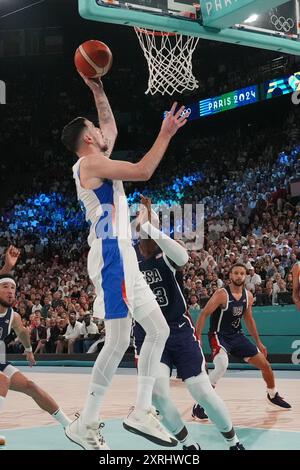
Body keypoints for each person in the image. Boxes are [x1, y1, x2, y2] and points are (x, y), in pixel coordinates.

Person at [61, 73, 187, 449]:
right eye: (96, 131)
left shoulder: (97, 157)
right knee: (117, 340)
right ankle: (85, 423)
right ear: (88, 138)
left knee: (158, 329)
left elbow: (109, 125)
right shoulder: (89, 166)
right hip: (111, 254)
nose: (103, 132)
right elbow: (144, 171)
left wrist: (97, 88)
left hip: (125, 254)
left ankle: (141, 410)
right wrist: (165, 133)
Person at [133, 196, 245, 450]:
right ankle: (188, 445)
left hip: (177, 331)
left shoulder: (167, 254)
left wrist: (149, 223)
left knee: (201, 391)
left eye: (152, 227)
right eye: (144, 227)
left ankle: (234, 442)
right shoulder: (130, 258)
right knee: (158, 395)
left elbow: (183, 257)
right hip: (147, 332)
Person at [196, 263, 291, 410]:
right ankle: (200, 405)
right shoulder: (222, 294)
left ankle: (272, 395)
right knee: (221, 365)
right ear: (230, 275)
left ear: (245, 276)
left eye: (242, 273)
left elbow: (249, 319)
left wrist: (258, 342)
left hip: (237, 336)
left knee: (265, 365)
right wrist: (198, 338)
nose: (239, 276)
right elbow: (203, 314)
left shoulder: (248, 296)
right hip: (219, 335)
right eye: (236, 273)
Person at [0, 276, 71, 446]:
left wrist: (29, 351)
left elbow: (23, 333)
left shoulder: (14, 316)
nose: (10, 291)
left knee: (31, 386)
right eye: (5, 286)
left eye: (13, 288)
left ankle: (70, 425)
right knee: (2, 380)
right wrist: (7, 267)